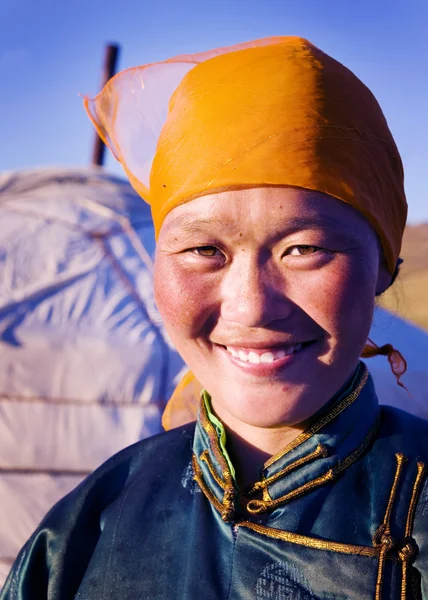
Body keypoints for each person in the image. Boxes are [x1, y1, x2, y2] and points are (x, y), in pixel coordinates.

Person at [1, 36, 427, 600]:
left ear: (384, 267)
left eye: (305, 249)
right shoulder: (86, 525)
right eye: (204, 251)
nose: (251, 305)